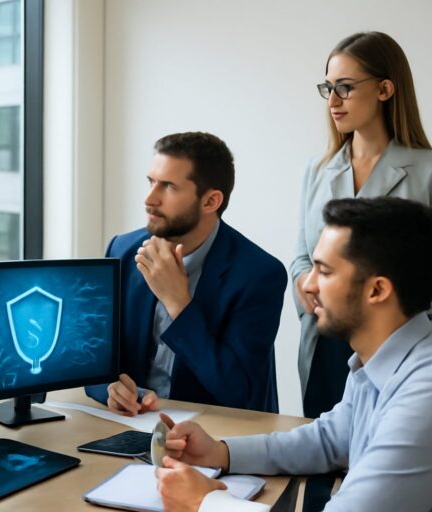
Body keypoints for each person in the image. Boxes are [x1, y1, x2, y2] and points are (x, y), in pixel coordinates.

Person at [156, 197, 432, 512]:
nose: (308, 285)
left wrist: (205, 501)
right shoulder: (384, 358)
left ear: (377, 290)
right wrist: (221, 453)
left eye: (325, 271)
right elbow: (330, 439)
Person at [292, 31, 432, 420]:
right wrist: (308, 291)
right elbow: (301, 257)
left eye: (346, 88)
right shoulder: (317, 170)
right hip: (325, 342)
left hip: (402, 346)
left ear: (385, 89)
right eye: (328, 88)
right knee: (320, 459)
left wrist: (391, 312)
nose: (333, 101)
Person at [85, 132, 287, 413]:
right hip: (134, 423)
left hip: (216, 435)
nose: (149, 199)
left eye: (168, 186)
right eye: (151, 182)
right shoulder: (122, 250)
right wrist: (110, 388)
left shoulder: (259, 274)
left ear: (210, 201)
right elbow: (94, 358)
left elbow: (238, 393)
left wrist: (178, 303)